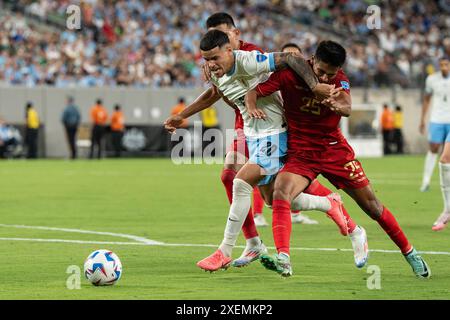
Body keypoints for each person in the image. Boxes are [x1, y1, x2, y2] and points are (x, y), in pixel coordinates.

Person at [246, 40, 430, 278]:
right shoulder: (288, 75)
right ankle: (284, 257)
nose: (323, 77)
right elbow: (254, 90)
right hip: (302, 152)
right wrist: (251, 105)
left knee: (372, 207)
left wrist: (336, 104)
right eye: (320, 71)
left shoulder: (339, 78)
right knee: (281, 192)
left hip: (335, 151)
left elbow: (347, 106)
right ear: (312, 59)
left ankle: (410, 252)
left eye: (329, 74)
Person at [193, 30, 356, 272]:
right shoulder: (216, 74)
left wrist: (313, 86)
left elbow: (292, 59)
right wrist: (179, 117)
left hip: (276, 133)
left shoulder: (249, 59)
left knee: (239, 182)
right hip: (254, 134)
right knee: (272, 199)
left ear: (230, 47)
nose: (211, 63)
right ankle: (327, 203)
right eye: (206, 59)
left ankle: (225, 251)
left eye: (215, 58)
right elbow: (224, 96)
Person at [279, 42, 319, 226]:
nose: (291, 60)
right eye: (287, 56)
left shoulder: (313, 81)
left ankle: (295, 212)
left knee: (298, 179)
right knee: (263, 174)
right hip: (277, 135)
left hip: (302, 139)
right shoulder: (276, 81)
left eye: (295, 56)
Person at [420, 56, 450, 230]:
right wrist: (423, 119)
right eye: (442, 65)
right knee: (441, 156)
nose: (444, 67)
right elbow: (426, 99)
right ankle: (426, 181)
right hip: (437, 119)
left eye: (447, 65)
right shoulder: (431, 79)